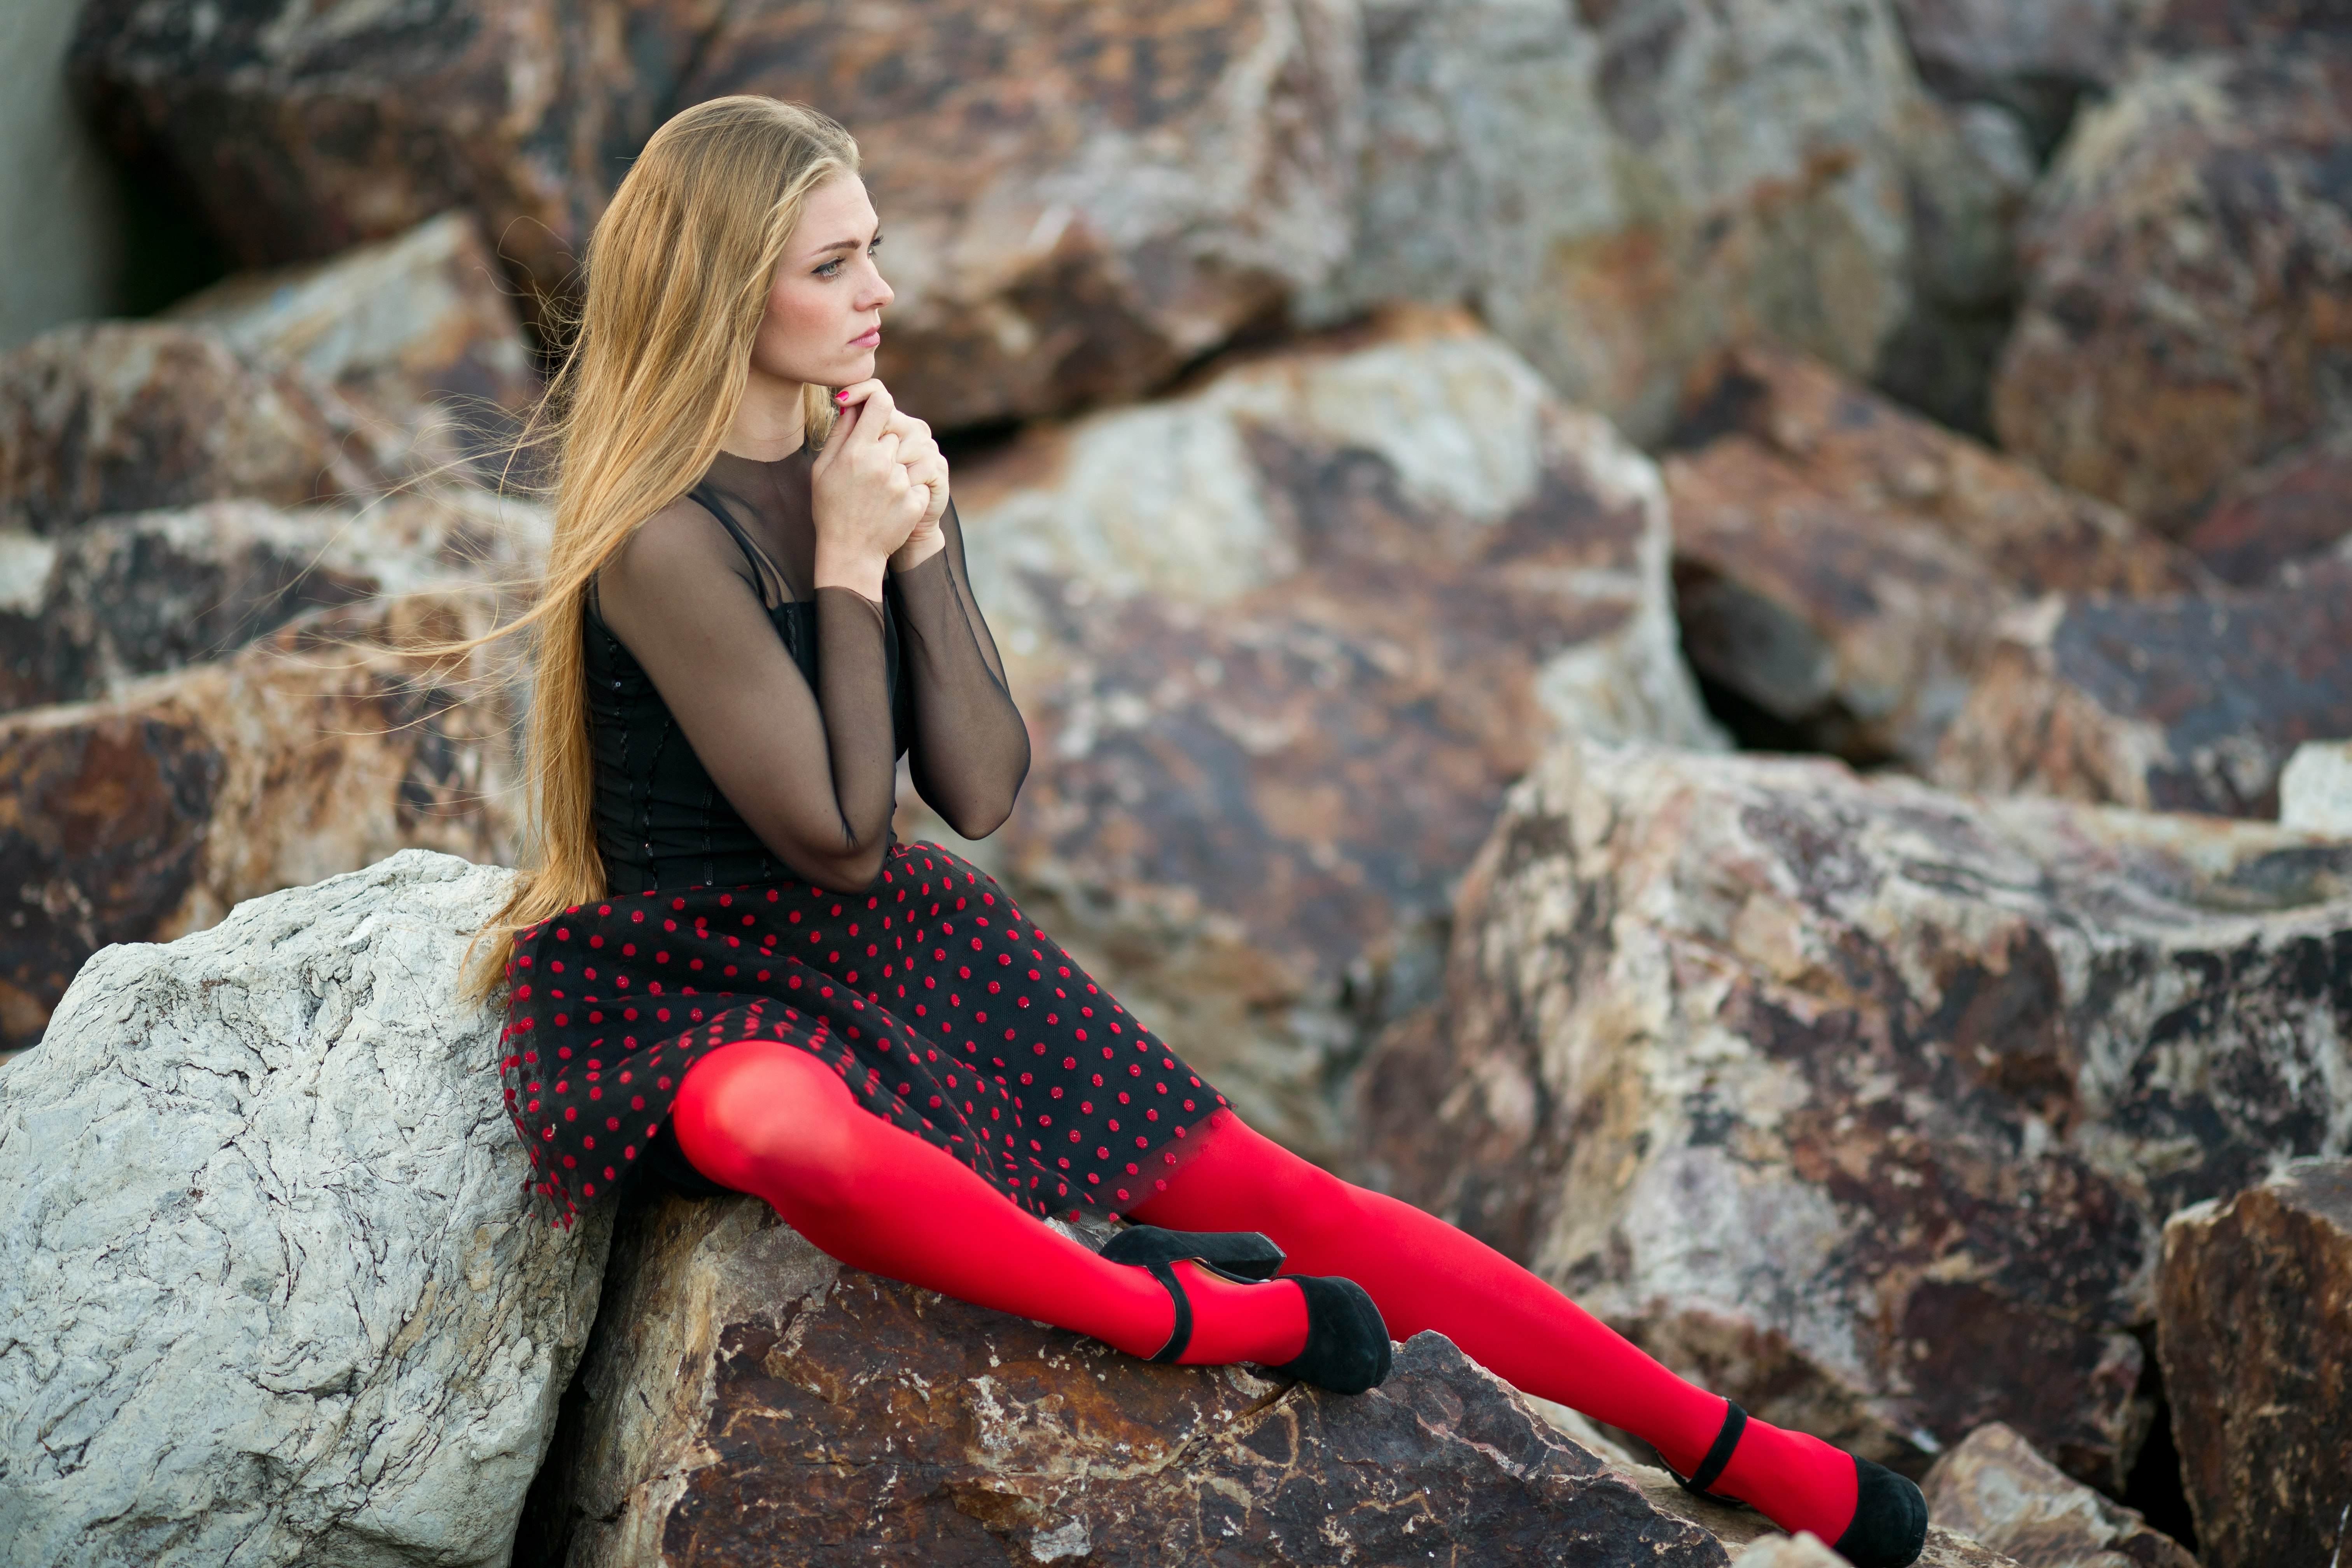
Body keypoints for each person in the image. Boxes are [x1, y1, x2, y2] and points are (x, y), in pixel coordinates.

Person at [466, 95, 1928, 1568]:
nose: (882, 294)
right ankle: (1178, 1312)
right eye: (833, 266)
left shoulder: (865, 457)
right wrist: (848, 559)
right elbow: (841, 832)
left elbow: (974, 791)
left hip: (895, 942)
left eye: (875, 251)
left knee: (1281, 1186)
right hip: (695, 971)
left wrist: (916, 541)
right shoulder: (662, 536)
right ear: (729, 291)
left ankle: (1733, 1445)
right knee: (777, 1132)